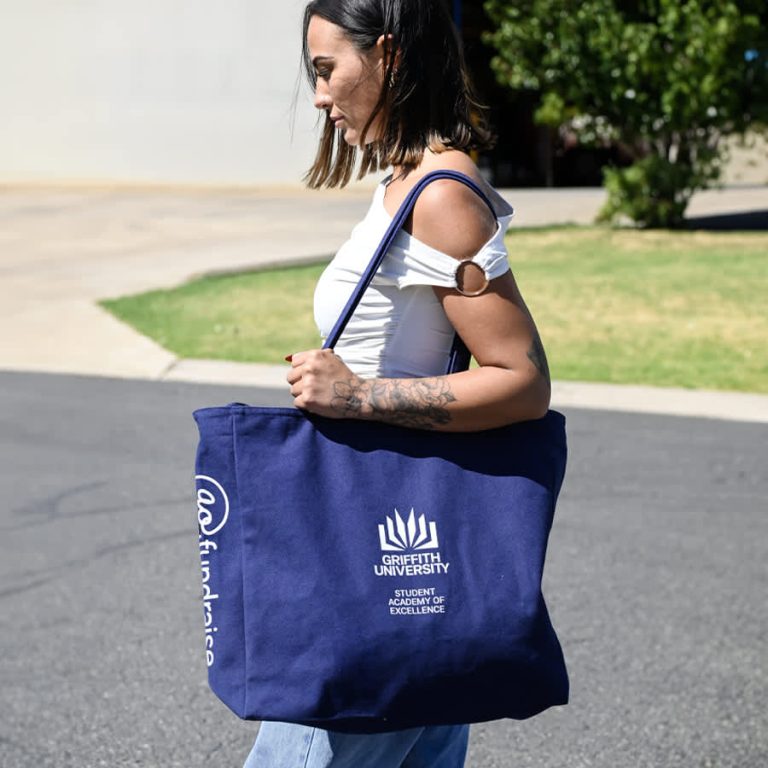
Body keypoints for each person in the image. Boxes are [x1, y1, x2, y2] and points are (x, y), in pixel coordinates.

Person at [244, 1, 552, 766]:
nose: (319, 96)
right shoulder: (404, 182)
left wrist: (359, 397)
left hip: (374, 572)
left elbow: (522, 381)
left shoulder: (440, 196)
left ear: (386, 54)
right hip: (397, 562)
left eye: (326, 71)